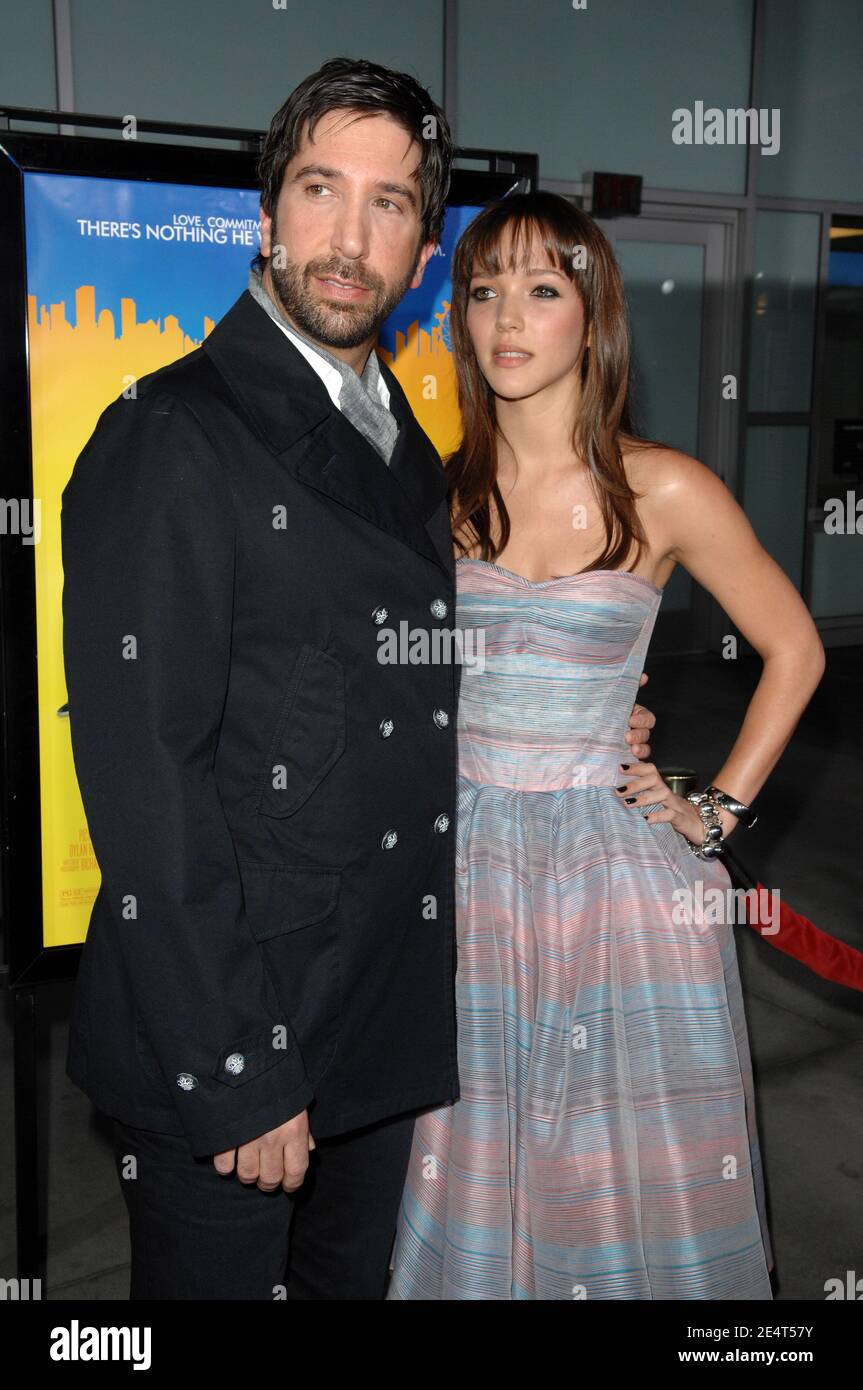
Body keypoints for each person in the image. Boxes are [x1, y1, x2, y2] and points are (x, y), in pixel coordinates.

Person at [60, 63, 656, 1301]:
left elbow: (389, 681)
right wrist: (237, 1071)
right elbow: (143, 786)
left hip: (380, 1028)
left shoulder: (405, 441)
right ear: (264, 214)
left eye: (389, 204)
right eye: (321, 190)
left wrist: (583, 707)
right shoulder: (171, 435)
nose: (349, 236)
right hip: (238, 1045)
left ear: (422, 246)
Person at [387, 191, 826, 1300]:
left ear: (595, 317)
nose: (505, 319)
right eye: (481, 291)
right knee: (475, 1158)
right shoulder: (435, 492)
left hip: (612, 883)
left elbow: (794, 650)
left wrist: (714, 807)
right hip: (468, 871)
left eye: (542, 289)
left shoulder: (663, 487)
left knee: (616, 1173)